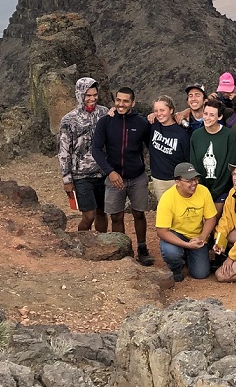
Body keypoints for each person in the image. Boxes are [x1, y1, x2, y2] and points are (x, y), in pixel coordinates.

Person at [91, 86, 154, 265]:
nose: (121, 104)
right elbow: (96, 149)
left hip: (137, 177)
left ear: (132, 103)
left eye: (126, 101)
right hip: (114, 176)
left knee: (139, 213)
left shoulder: (141, 123)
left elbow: (152, 146)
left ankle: (142, 248)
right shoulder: (106, 122)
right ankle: (123, 250)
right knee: (116, 216)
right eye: (118, 100)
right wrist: (109, 172)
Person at [58, 77, 108, 233]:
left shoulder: (104, 113)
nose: (92, 99)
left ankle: (103, 243)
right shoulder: (69, 120)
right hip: (81, 176)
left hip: (103, 173)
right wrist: (67, 180)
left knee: (102, 212)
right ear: (80, 95)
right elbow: (64, 151)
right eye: (88, 95)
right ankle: (82, 242)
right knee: (89, 215)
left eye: (95, 95)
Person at [155, 162, 218, 282]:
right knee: (171, 252)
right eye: (189, 180)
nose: (194, 183)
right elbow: (162, 231)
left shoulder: (203, 191)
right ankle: (176, 267)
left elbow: (211, 218)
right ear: (177, 182)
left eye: (195, 179)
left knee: (201, 274)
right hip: (177, 234)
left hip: (196, 235)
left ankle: (189, 256)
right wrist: (187, 245)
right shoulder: (167, 198)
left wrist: (202, 237)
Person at [190, 98, 236, 203]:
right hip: (200, 189)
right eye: (205, 114)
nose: (207, 118)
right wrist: (202, 188)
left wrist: (216, 192)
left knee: (214, 218)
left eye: (212, 115)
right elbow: (194, 163)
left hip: (222, 190)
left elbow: (230, 165)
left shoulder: (228, 135)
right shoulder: (196, 135)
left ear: (220, 116)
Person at [147, 95, 193, 203]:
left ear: (171, 110)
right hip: (159, 179)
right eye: (156, 111)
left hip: (178, 179)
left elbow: (188, 157)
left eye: (162, 110)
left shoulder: (182, 132)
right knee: (165, 212)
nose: (159, 114)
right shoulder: (152, 126)